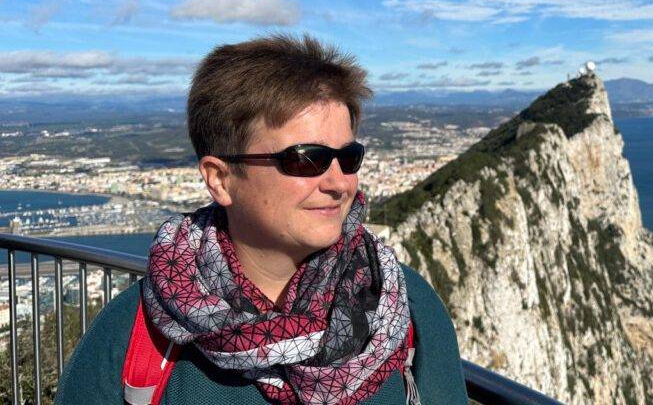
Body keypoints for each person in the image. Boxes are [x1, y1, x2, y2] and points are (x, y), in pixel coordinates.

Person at [57, 34, 469, 404]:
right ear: (220, 179)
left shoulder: (404, 305)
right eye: (306, 159)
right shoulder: (136, 333)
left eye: (349, 157)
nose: (339, 183)